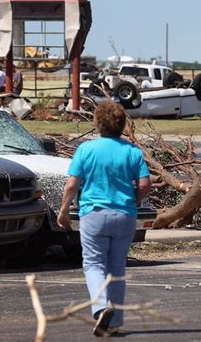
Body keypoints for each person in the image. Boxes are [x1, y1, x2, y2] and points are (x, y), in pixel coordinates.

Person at [57, 101, 151, 337]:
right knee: (117, 267)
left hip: (94, 214)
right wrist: (136, 200)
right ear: (122, 124)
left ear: (98, 123)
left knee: (94, 264)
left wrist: (64, 210)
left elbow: (72, 184)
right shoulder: (132, 151)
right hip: (124, 215)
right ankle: (115, 321)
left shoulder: (86, 150)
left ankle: (101, 308)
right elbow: (144, 185)